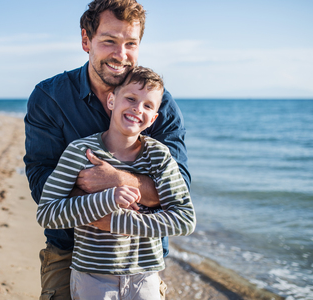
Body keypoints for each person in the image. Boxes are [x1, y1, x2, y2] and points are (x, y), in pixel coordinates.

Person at [24, 0, 191, 298]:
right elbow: (42, 184)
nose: (120, 54)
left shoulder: (158, 106)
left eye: (130, 43)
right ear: (86, 40)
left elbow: (180, 192)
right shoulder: (50, 98)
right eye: (109, 41)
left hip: (142, 258)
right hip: (70, 251)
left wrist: (116, 181)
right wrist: (104, 207)